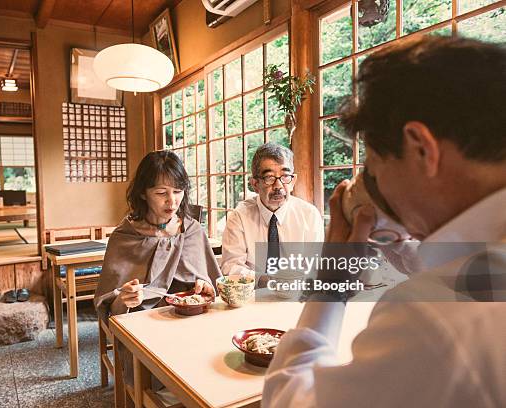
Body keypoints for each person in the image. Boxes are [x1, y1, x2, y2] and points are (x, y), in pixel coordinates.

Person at [262, 36, 506, 407]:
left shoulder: (432, 314)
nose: (377, 188)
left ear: (420, 148)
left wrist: (330, 286)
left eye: (374, 167)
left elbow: (289, 400)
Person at [94, 150, 221, 317]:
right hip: (141, 324)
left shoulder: (192, 231)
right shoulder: (125, 236)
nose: (172, 201)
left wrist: (207, 287)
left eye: (178, 191)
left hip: (190, 320)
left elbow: (214, 289)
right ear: (142, 193)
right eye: (161, 193)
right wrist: (123, 299)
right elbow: (110, 310)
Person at [221, 142, 324, 279]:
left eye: (285, 177)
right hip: (253, 295)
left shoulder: (309, 215)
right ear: (255, 184)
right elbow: (231, 267)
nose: (278, 186)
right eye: (269, 178)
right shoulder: (239, 216)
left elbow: (314, 266)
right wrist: (267, 280)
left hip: (296, 294)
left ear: (293, 182)